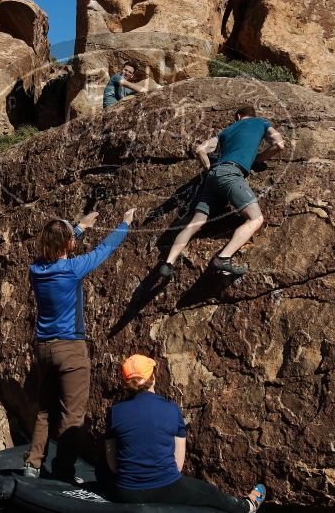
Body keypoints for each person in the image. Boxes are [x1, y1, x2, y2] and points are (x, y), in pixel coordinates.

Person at [24, 208, 138, 481]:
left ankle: (32, 464)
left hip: (43, 347)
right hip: (70, 349)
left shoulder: (35, 270)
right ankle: (63, 471)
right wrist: (125, 223)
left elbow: (56, 246)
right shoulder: (73, 269)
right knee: (72, 415)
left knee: (44, 410)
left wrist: (79, 227)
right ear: (68, 244)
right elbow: (105, 249)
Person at [105, 354, 266, 512]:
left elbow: (113, 465)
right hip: (167, 487)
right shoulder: (171, 409)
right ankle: (247, 506)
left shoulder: (115, 412)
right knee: (212, 494)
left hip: (127, 492)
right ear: (153, 377)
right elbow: (178, 465)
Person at [160, 106, 285, 277]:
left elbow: (200, 150)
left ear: (239, 116)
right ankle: (223, 258)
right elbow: (279, 144)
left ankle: (168, 263)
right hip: (231, 174)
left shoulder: (226, 131)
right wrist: (257, 159)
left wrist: (208, 168)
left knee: (195, 223)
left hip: (212, 177)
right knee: (256, 218)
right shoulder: (261, 123)